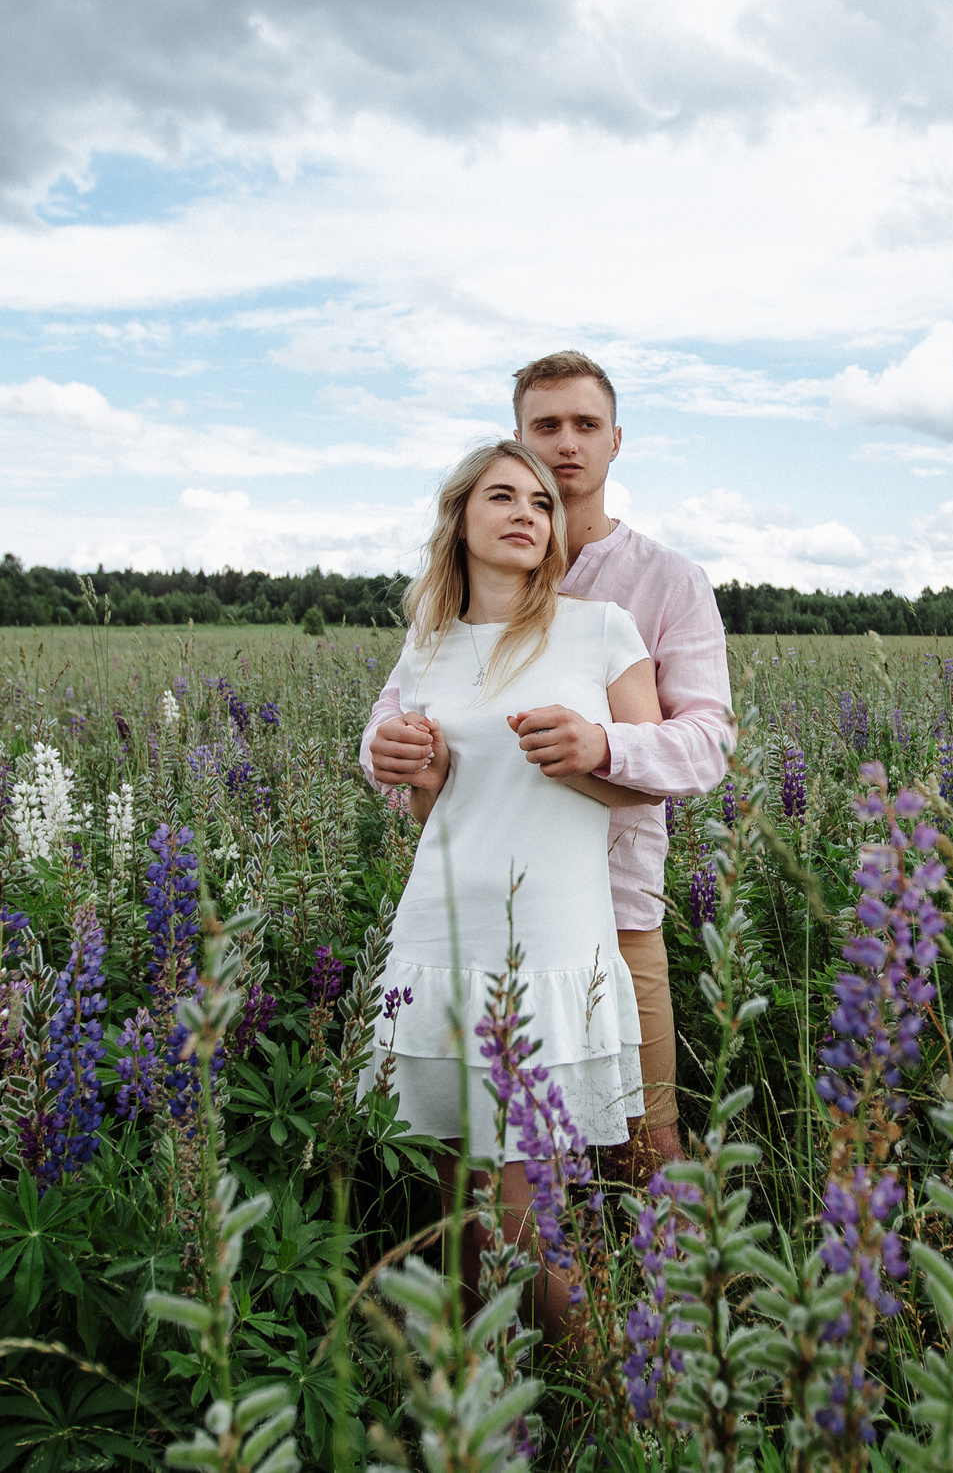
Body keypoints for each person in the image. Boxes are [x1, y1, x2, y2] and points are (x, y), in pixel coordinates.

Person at [363, 351, 733, 1173]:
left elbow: (709, 741)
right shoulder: (474, 578)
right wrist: (382, 753)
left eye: (585, 425)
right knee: (482, 1159)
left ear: (615, 441)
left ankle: (667, 1299)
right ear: (521, 436)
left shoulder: (664, 580)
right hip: (486, 914)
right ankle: (512, 1295)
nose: (567, 444)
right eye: (546, 426)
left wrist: (607, 745)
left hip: (617, 907)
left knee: (646, 1138)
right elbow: (400, 708)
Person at [370, 436, 665, 1336]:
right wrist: (405, 767)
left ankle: (615, 1406)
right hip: (442, 934)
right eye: (503, 497)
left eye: (540, 503)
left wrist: (591, 749)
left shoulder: (601, 628)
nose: (527, 514)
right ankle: (474, 1388)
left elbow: (648, 775)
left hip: (549, 944)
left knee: (524, 1220)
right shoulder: (428, 644)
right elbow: (420, 796)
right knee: (457, 1203)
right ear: (460, 519)